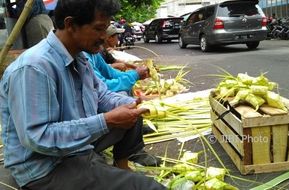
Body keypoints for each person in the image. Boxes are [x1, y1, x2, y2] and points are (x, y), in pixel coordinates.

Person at [0, 0, 166, 189]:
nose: (104, 37)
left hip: (73, 150)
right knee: (149, 187)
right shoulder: (34, 67)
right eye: (98, 29)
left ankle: (119, 168)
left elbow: (101, 95)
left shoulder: (80, 57)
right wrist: (107, 121)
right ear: (70, 25)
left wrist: (131, 103)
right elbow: (38, 137)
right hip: (44, 167)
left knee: (131, 115)